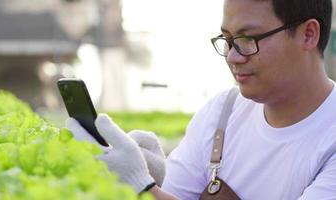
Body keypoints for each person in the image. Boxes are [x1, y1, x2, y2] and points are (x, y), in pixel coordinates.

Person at [66, 0, 336, 199]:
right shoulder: (222, 112)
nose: (232, 56)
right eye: (228, 39)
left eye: (247, 38)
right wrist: (148, 176)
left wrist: (139, 184)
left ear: (308, 34)